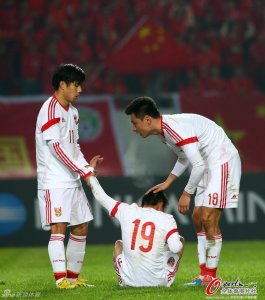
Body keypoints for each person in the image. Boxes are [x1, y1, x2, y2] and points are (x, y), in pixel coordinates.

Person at [124, 96, 241, 286]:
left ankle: (210, 276)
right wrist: (169, 181)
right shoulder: (164, 133)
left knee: (208, 218)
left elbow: (197, 163)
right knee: (197, 218)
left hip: (221, 160)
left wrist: (187, 193)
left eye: (134, 122)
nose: (133, 128)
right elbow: (184, 158)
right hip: (206, 164)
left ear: (147, 120)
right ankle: (204, 275)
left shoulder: (174, 129)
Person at [35, 64, 94, 289]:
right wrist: (81, 170)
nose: (80, 90)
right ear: (62, 84)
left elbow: (74, 146)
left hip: (72, 178)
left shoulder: (74, 112)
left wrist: (85, 167)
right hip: (54, 180)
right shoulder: (50, 109)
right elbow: (56, 148)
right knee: (59, 227)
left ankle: (72, 278)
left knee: (81, 226)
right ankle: (60, 279)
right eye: (76, 85)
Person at [86, 155, 185, 287]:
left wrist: (91, 172)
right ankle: (167, 275)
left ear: (143, 202)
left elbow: (100, 196)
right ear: (160, 204)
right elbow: (175, 247)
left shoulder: (126, 211)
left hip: (129, 282)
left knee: (118, 245)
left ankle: (123, 278)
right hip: (159, 282)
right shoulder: (166, 219)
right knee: (180, 241)